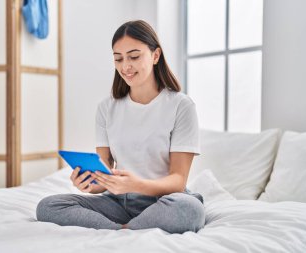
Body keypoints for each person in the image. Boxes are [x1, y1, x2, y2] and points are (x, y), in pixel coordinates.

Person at [36, 20, 205, 234]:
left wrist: (136, 185)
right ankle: (125, 229)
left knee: (189, 209)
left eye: (134, 57)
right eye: (118, 59)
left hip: (164, 201)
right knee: (48, 206)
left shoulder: (181, 105)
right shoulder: (106, 108)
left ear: (155, 55)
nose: (125, 66)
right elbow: (105, 175)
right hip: (118, 203)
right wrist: (89, 184)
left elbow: (178, 181)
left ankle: (123, 230)